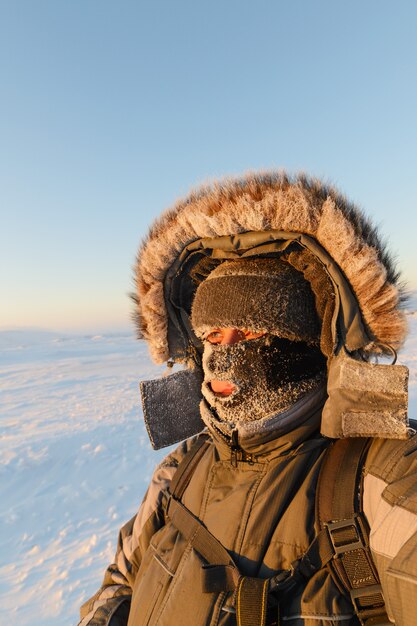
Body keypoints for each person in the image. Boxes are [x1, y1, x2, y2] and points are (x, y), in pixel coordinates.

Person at [78, 172, 415, 626]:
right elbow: (121, 583)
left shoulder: (380, 477)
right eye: (211, 335)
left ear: (307, 341)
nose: (224, 354)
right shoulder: (182, 469)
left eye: (253, 329)